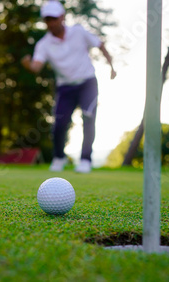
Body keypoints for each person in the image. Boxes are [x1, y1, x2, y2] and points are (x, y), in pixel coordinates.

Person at [21, 0, 116, 173]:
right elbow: (36, 66)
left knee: (88, 117)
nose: (51, 23)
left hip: (87, 82)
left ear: (62, 17)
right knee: (59, 123)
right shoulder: (44, 44)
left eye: (54, 18)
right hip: (65, 87)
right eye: (48, 19)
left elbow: (99, 44)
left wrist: (111, 67)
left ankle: (86, 160)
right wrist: (27, 64)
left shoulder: (78, 32)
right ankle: (59, 158)